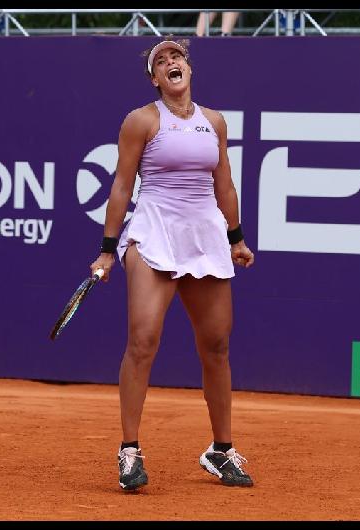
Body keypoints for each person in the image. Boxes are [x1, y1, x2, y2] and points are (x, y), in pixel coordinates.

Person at [89, 37, 255, 491]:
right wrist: (108, 248)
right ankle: (129, 451)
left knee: (217, 345)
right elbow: (122, 187)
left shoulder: (214, 122)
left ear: (188, 68)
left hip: (204, 236)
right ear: (155, 78)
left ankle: (221, 451)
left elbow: (225, 186)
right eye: (160, 61)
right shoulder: (140, 121)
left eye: (176, 56)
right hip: (155, 231)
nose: (170, 63)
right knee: (143, 340)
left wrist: (236, 239)